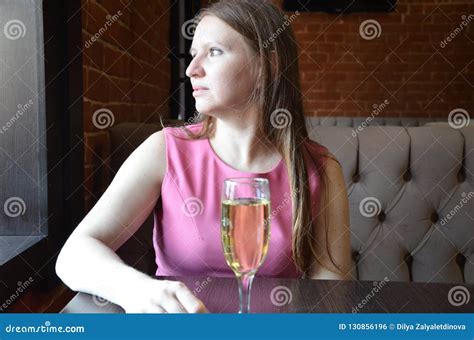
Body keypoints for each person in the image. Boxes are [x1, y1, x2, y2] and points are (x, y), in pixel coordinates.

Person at [56, 0, 351, 314]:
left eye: (214, 52)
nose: (191, 69)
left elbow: (330, 291)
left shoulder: (321, 169)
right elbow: (74, 255)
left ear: (268, 65)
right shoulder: (165, 151)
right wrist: (136, 290)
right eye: (194, 53)